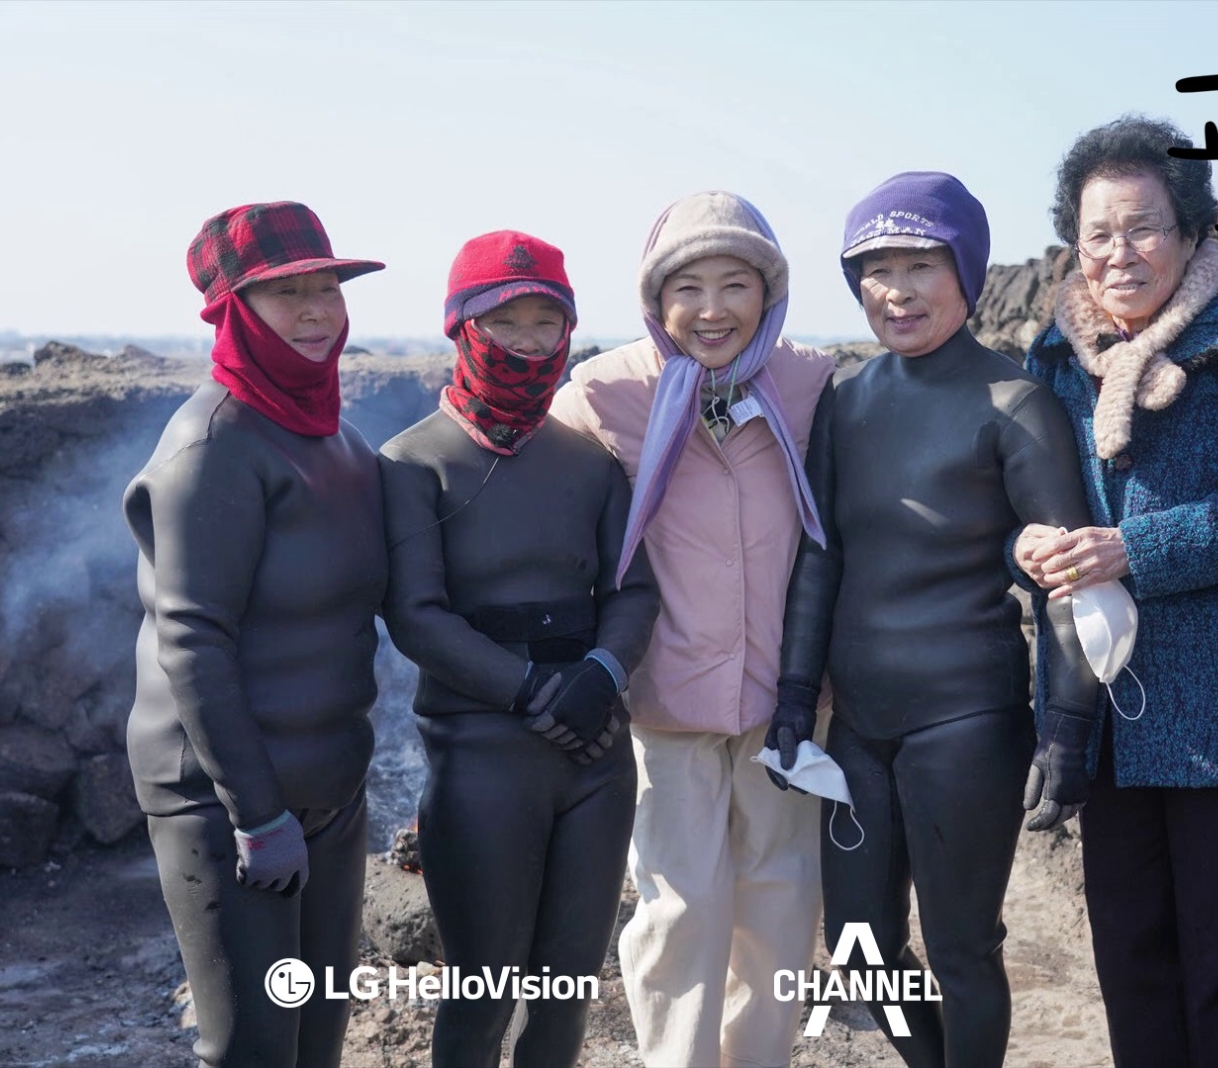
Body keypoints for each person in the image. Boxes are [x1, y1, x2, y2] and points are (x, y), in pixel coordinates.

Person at [1011, 116, 1218, 1068]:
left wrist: (1133, 549)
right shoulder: (1053, 363)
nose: (1119, 254)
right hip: (1108, 703)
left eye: (1144, 226)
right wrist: (1025, 545)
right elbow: (1023, 506)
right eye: (1098, 233)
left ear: (1192, 233)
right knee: (1133, 955)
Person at [775, 172, 1101, 1068]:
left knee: (961, 948)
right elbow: (821, 555)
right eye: (875, 269)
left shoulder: (1015, 403)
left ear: (966, 272)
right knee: (859, 946)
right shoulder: (847, 399)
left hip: (966, 716)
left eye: (921, 264)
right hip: (859, 727)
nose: (897, 289)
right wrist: (797, 692)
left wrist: (1068, 727)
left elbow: (1064, 575)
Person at [547, 191, 837, 1068]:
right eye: (688, 288)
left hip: (785, 702)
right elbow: (549, 520)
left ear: (769, 291)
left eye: (736, 284)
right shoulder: (605, 391)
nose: (711, 310)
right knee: (680, 909)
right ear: (655, 299)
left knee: (781, 906)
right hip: (664, 700)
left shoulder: (807, 380)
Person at [378, 230, 661, 1067]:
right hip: (480, 757)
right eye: (508, 321)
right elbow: (416, 617)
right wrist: (538, 691)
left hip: (596, 756)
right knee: (480, 996)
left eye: (549, 321)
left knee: (567, 992)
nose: (532, 342)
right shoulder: (410, 464)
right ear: (463, 325)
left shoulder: (589, 462)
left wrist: (602, 677)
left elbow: (633, 591)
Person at [124, 201, 388, 1068]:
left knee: (317, 1037)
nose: (318, 311)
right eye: (288, 295)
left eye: (327, 290)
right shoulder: (213, 446)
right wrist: (257, 814)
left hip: (327, 792)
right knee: (251, 1046)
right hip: (228, 800)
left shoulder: (337, 439)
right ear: (233, 310)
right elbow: (193, 638)